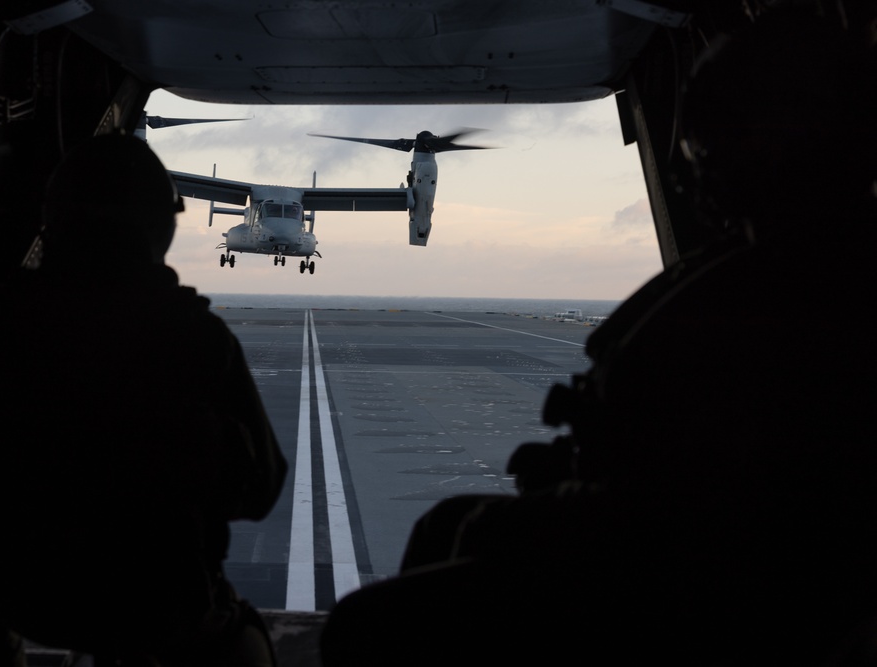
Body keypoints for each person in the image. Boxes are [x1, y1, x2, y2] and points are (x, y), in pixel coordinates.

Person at [321, 10, 877, 665]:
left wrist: (555, 508)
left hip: (715, 591)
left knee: (364, 627)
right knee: (446, 525)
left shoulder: (796, 292)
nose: (688, 157)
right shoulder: (787, 266)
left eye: (708, 134)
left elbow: (725, 511)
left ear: (779, 139)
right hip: (705, 562)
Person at [0, 133, 287, 666]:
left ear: (55, 219)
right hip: (156, 607)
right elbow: (261, 490)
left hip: (25, 600)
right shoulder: (193, 336)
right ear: (159, 228)